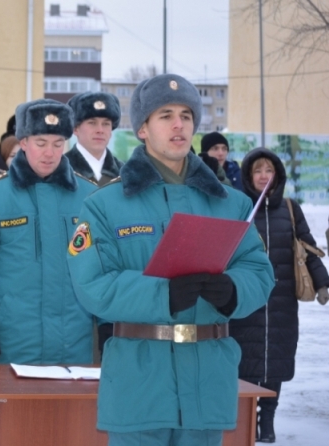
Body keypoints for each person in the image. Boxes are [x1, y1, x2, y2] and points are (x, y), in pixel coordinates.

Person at [67, 74, 275, 446]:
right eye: (165, 115)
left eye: (185, 115)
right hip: (139, 381)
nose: (178, 124)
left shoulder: (231, 203)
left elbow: (259, 271)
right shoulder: (104, 205)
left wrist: (232, 290)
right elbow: (92, 286)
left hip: (208, 382)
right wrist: (164, 295)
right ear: (143, 128)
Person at [0, 99, 98, 365]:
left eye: (57, 144)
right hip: (13, 342)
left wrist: (109, 322)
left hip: (76, 344)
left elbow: (102, 265)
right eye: (41, 143)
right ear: (24, 142)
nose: (50, 153)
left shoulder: (90, 197)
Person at [229, 147, 329, 443]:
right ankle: (245, 417)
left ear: (277, 176)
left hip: (282, 299)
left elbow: (308, 248)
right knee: (245, 357)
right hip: (246, 297)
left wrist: (323, 282)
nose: (263, 176)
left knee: (276, 358)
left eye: (268, 171)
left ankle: (268, 419)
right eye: (257, 171)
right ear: (248, 176)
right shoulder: (238, 206)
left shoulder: (290, 208)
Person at [65, 91, 124, 186]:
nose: (100, 130)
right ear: (75, 129)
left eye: (106, 124)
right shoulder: (59, 170)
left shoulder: (126, 173)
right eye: (92, 123)